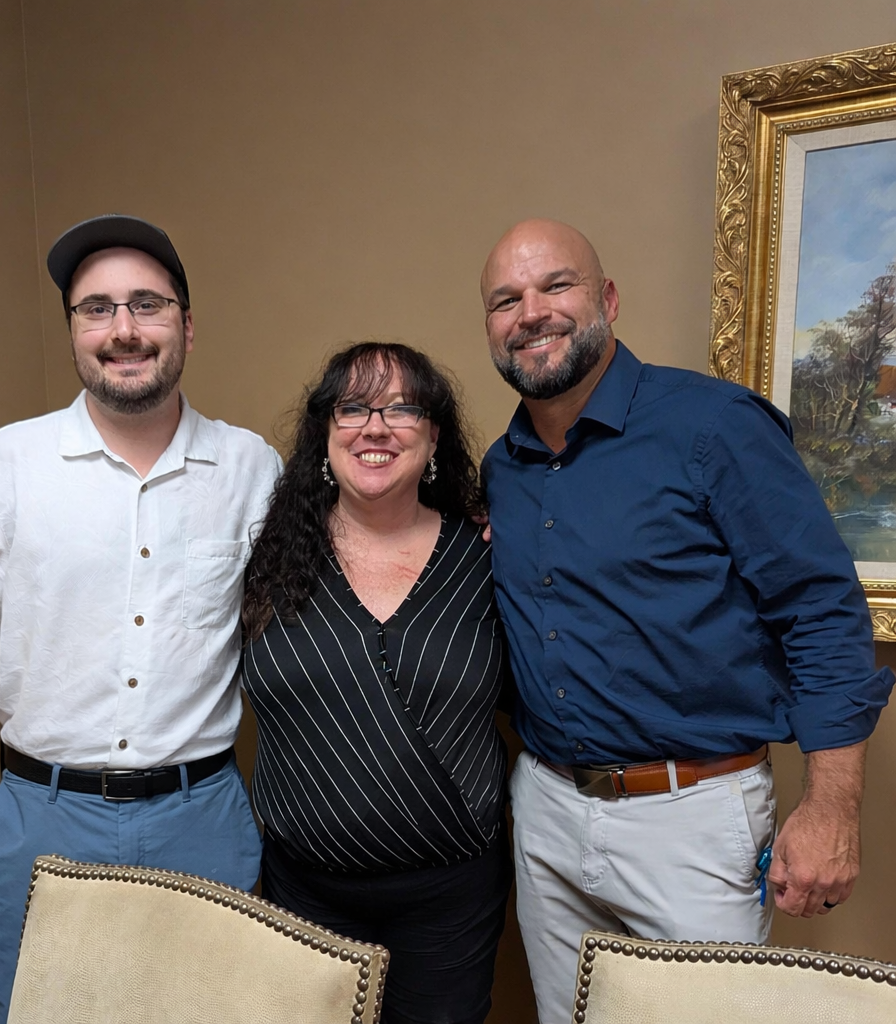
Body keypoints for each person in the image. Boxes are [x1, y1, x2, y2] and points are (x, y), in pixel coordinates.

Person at [478, 218, 894, 1023]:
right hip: (546, 811)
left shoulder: (715, 426)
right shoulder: (504, 467)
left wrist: (831, 805)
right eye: (505, 299)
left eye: (555, 286)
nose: (531, 312)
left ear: (607, 299)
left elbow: (821, 610)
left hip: (693, 818)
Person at [0, 214, 281, 1024]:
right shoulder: (7, 463)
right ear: (74, 330)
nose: (123, 330)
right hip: (38, 822)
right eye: (97, 308)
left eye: (147, 305)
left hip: (203, 823)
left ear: (186, 326)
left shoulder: (252, 469)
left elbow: (324, 609)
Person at [242, 342, 513, 1024]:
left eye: (402, 408)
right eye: (353, 407)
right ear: (324, 432)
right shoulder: (266, 556)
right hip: (303, 891)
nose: (375, 426)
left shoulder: (490, 554)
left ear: (434, 436)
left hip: (449, 899)